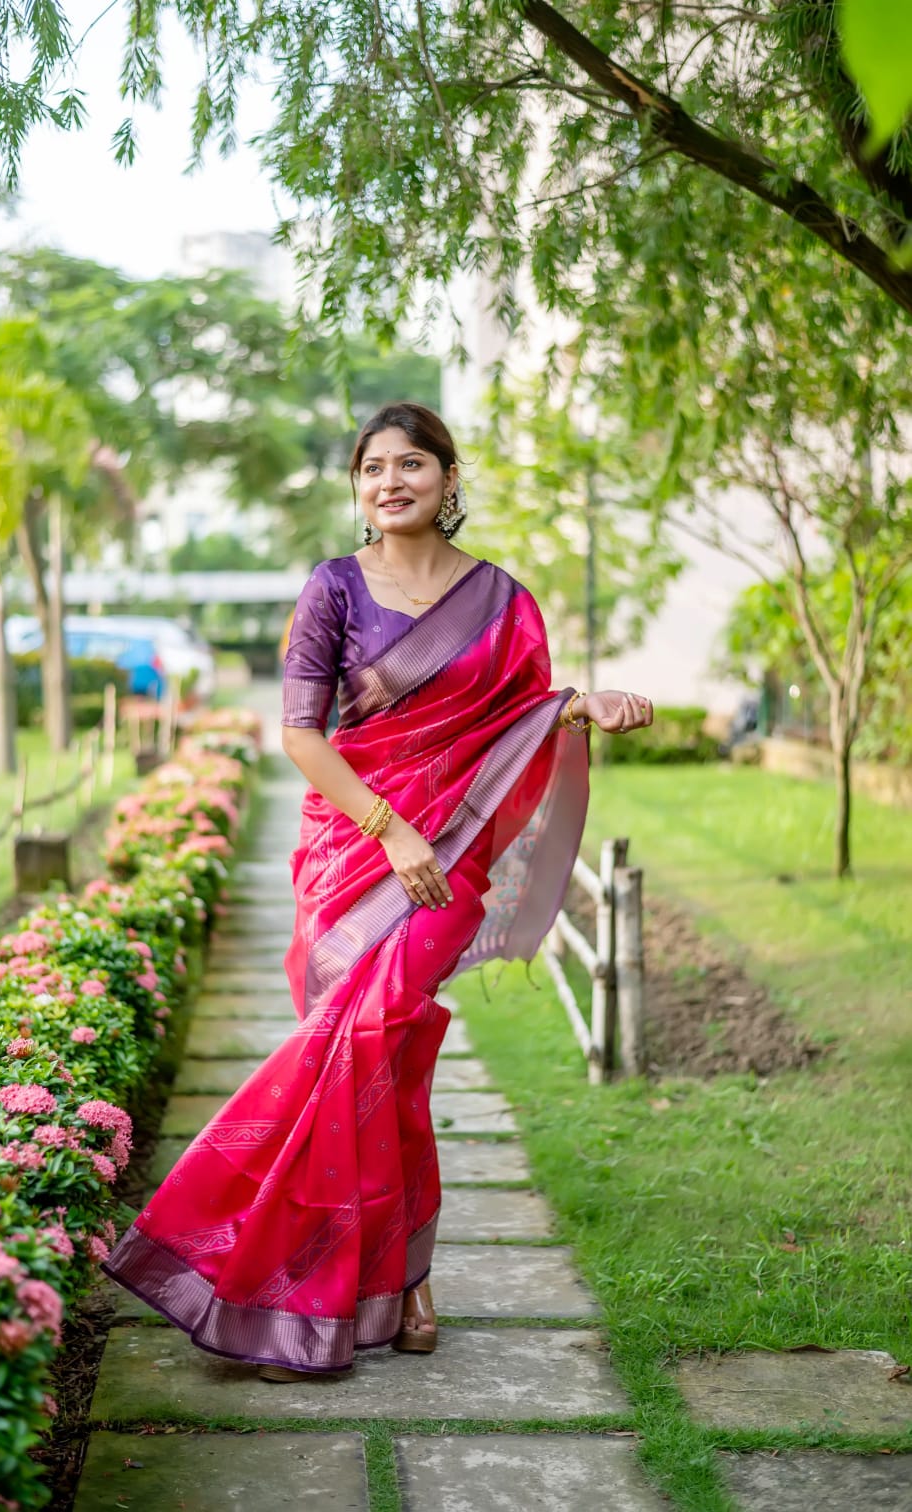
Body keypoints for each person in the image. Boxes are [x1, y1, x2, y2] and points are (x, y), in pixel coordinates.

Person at [102, 401, 652, 1382]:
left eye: (411, 464)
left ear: (448, 480)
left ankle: (296, 1284)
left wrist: (580, 703)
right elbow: (303, 736)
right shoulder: (332, 590)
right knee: (381, 1074)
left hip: (448, 862)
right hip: (351, 850)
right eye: (371, 469)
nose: (389, 482)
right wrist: (388, 829)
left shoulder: (501, 600)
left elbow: (521, 712)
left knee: (365, 1039)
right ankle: (399, 1279)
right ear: (357, 489)